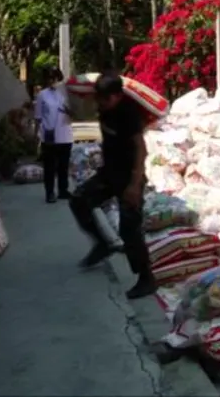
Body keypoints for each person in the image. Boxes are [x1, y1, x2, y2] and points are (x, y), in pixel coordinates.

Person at [69, 72, 155, 299]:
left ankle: (146, 278)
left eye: (105, 99)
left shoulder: (128, 114)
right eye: (99, 98)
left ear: (117, 96)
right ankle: (103, 244)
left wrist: (135, 185)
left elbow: (140, 149)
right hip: (109, 174)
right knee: (79, 200)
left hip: (129, 177)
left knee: (130, 228)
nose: (101, 103)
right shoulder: (104, 110)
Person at [34, 68, 74, 203]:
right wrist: (37, 136)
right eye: (49, 78)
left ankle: (63, 190)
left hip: (65, 134)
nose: (52, 81)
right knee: (50, 167)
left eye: (55, 78)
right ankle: (50, 192)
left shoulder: (67, 94)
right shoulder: (42, 95)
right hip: (49, 135)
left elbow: (76, 111)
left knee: (63, 165)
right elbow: (38, 117)